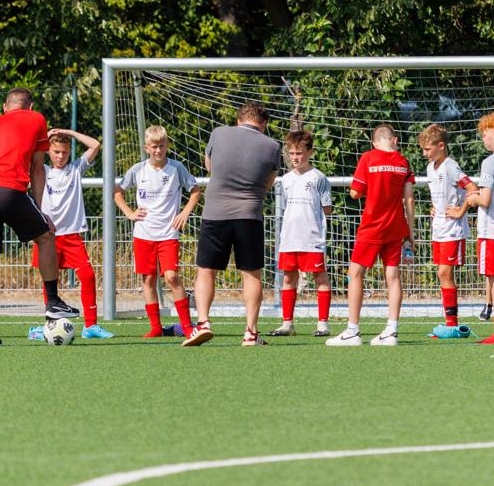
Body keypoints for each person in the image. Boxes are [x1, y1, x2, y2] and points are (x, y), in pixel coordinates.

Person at [0, 87, 79, 347]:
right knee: (46, 236)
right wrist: (39, 210)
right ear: (30, 106)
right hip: (6, 189)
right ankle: (53, 302)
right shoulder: (36, 119)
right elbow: (38, 169)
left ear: (5, 107)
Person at [183, 102, 282, 348]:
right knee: (251, 273)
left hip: (215, 212)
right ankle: (251, 332)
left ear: (239, 119)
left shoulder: (218, 133)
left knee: (206, 270)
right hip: (249, 215)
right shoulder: (272, 146)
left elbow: (210, 166)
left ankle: (203, 323)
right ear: (264, 124)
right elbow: (268, 182)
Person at [326, 125, 416, 347]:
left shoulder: (368, 158)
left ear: (374, 142)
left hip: (372, 226)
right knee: (393, 276)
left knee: (355, 273)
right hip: (396, 226)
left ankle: (352, 331)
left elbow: (355, 192)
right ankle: (391, 331)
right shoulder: (403, 162)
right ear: (395, 140)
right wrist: (410, 232)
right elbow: (409, 198)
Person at [114, 125, 201, 339]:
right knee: (148, 280)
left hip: (168, 234)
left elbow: (195, 191)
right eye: (154, 146)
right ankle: (155, 327)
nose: (158, 150)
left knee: (172, 277)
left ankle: (187, 327)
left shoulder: (176, 168)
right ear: (146, 148)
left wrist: (184, 213)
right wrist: (129, 213)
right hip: (144, 233)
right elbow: (117, 192)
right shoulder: (137, 170)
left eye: (161, 146)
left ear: (167, 145)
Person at [27, 128, 113, 340]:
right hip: (47, 236)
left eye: (64, 152)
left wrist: (69, 133)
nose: (60, 156)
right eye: (56, 151)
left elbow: (95, 144)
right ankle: (49, 326)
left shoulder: (75, 169)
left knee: (88, 275)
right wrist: (44, 137)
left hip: (72, 235)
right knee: (49, 280)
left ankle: (90, 326)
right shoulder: (41, 171)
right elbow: (28, 151)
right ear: (48, 151)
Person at [447, 112, 494, 344]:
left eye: (485, 135)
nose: (483, 139)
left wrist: (472, 198)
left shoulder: (490, 162)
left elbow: (486, 199)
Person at [269, 129, 333, 338]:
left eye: (299, 153)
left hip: (312, 238)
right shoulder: (285, 179)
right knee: (288, 278)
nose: (295, 157)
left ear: (310, 152)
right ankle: (287, 323)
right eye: (292, 153)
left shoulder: (319, 178)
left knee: (320, 277)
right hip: (289, 238)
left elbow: (327, 209)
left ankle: (322, 324)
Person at [418, 123, 477, 340]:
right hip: (439, 228)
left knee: (444, 273)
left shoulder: (451, 166)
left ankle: (452, 325)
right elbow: (441, 196)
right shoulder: (430, 168)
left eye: (428, 149)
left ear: (441, 146)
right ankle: (450, 323)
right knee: (441, 274)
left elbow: (472, 189)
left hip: (453, 230)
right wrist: (434, 208)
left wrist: (461, 210)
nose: (424, 154)